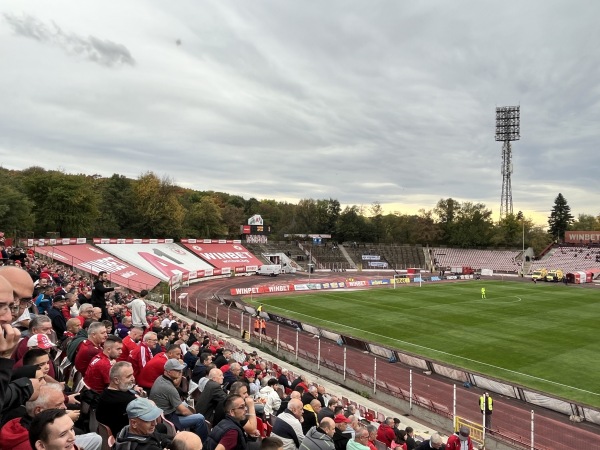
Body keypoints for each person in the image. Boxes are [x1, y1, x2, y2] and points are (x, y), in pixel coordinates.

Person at [149, 359, 208, 441]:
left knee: (186, 406)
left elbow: (175, 385)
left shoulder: (160, 378)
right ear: (169, 372)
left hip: (163, 414)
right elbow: (184, 411)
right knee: (200, 418)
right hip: (169, 418)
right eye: (177, 370)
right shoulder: (169, 388)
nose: (180, 371)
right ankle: (203, 444)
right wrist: (193, 415)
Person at [96, 361, 139, 437]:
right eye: (129, 376)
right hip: (124, 438)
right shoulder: (127, 401)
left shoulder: (105, 393)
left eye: (132, 374)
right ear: (116, 380)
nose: (133, 378)